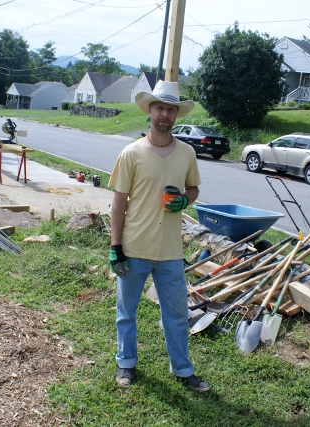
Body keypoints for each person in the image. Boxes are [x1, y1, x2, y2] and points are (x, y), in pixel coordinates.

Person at [108, 80, 209, 392]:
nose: (164, 113)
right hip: (134, 247)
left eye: (170, 108)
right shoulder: (131, 153)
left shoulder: (187, 153)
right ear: (149, 111)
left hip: (170, 251)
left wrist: (185, 200)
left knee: (177, 315)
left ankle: (182, 370)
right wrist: (115, 247)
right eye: (159, 107)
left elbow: (193, 188)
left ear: (176, 114)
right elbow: (118, 203)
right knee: (127, 312)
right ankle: (126, 364)